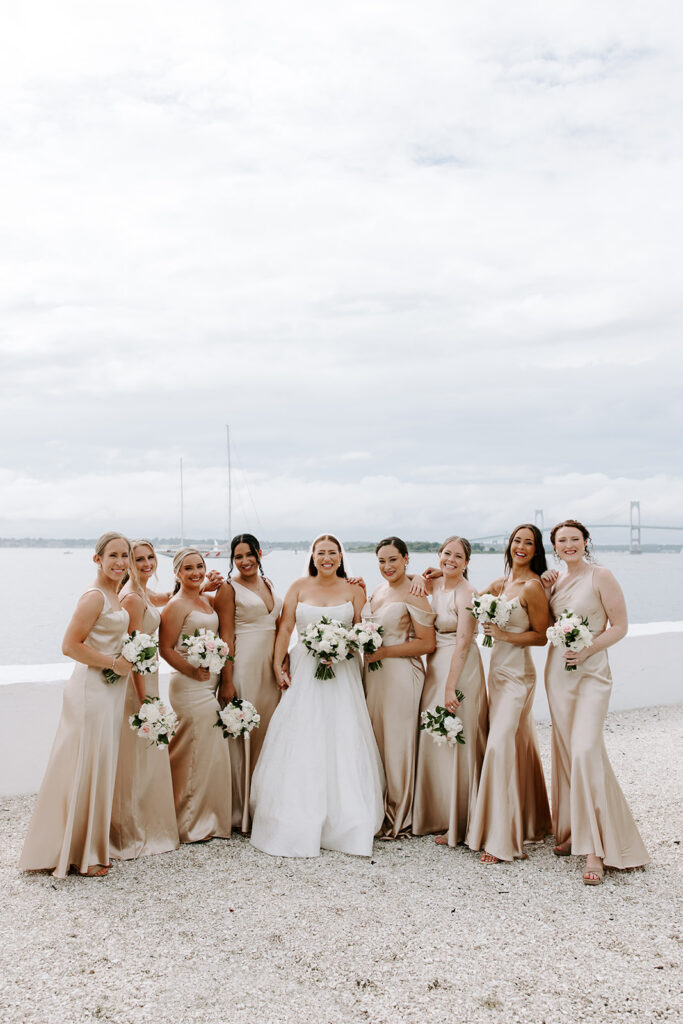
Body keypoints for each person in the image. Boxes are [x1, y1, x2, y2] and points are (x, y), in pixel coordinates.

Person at [250, 534, 385, 857]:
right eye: (321, 552)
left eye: (332, 552)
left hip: (343, 671)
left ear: (341, 556)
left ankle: (347, 818)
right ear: (312, 556)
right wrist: (277, 664)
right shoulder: (298, 586)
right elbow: (285, 628)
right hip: (304, 669)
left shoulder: (354, 589)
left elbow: (360, 630)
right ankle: (295, 813)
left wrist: (343, 649)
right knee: (303, 733)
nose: (327, 558)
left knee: (343, 734)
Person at [19, 533, 133, 878]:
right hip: (91, 691)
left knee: (99, 765)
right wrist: (114, 663)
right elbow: (69, 645)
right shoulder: (94, 597)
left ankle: (88, 847)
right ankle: (78, 853)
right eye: (113, 555)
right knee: (84, 764)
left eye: (125, 555)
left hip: (110, 691)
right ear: (97, 559)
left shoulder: (115, 594)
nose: (120, 562)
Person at [545, 519, 649, 884]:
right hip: (558, 675)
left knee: (585, 750)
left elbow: (619, 626)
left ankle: (596, 851)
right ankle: (574, 830)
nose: (569, 544)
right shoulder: (555, 581)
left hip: (591, 673)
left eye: (575, 538)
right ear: (555, 547)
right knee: (566, 751)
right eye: (562, 540)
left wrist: (587, 650)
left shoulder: (601, 576)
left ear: (586, 541)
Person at [466, 524, 552, 863]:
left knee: (499, 745)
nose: (521, 546)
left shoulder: (532, 587)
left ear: (535, 550)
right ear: (509, 545)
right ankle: (530, 820)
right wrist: (434, 576)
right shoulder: (500, 585)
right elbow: (467, 598)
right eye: (517, 540)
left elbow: (542, 635)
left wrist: (503, 635)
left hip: (518, 675)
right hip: (496, 674)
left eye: (529, 543)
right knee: (516, 743)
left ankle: (502, 840)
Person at [411, 537, 488, 844]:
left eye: (458, 556)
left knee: (459, 737)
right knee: (435, 737)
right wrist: (419, 577)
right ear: (439, 555)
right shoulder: (436, 584)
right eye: (446, 554)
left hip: (460, 669)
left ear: (467, 562)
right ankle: (437, 814)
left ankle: (462, 821)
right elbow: (402, 578)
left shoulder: (467, 593)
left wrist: (450, 687)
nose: (451, 560)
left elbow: (464, 643)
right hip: (435, 666)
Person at [109, 539, 180, 860]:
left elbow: (163, 598)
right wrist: (145, 702)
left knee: (143, 753)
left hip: (148, 677)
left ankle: (147, 823)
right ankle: (131, 830)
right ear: (128, 563)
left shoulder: (142, 592)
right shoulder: (132, 598)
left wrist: (201, 585)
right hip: (137, 683)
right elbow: (134, 652)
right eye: (139, 559)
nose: (147, 563)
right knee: (136, 753)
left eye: (150, 557)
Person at [362, 537, 435, 838]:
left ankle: (400, 813)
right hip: (373, 675)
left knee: (397, 742)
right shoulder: (378, 590)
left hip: (400, 675)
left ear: (406, 558)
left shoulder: (415, 592)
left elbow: (427, 643)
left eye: (393, 559)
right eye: (381, 561)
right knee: (376, 740)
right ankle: (378, 807)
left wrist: (385, 652)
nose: (387, 566)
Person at [159, 548, 233, 843]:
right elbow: (165, 649)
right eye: (188, 568)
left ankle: (207, 817)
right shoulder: (175, 605)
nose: (195, 572)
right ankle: (186, 822)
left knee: (207, 751)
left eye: (199, 566)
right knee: (191, 750)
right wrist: (191, 670)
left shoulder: (205, 600)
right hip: (189, 685)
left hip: (209, 683)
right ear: (177, 573)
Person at [214, 533, 282, 832]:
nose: (244, 561)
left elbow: (279, 627)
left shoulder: (269, 584)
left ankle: (263, 805)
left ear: (259, 554)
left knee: (268, 734)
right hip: (244, 667)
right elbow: (226, 637)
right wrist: (227, 681)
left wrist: (282, 661)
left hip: (270, 669)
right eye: (238, 556)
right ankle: (240, 810)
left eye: (249, 554)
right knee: (243, 734)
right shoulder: (228, 589)